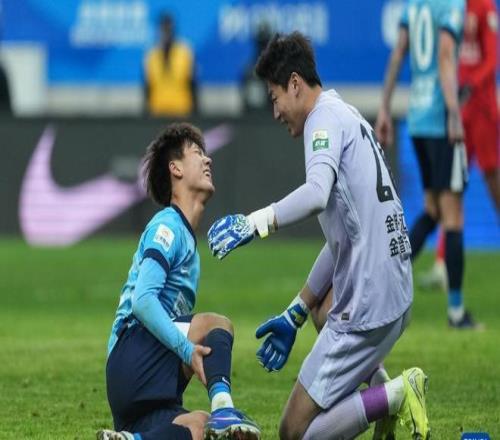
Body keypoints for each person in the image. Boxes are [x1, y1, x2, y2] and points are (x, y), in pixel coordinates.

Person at [207, 32, 429, 440]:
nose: (275, 111)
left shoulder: (321, 121)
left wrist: (255, 222)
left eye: (275, 97)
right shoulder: (346, 113)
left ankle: (394, 395)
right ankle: (381, 388)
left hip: (370, 302)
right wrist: (295, 311)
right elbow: (341, 239)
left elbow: (315, 193)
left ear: (295, 84)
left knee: (293, 432)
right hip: (395, 291)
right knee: (319, 310)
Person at [97, 123, 260, 440]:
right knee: (217, 325)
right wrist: (187, 351)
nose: (208, 159)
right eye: (198, 153)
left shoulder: (184, 236)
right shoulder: (168, 226)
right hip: (132, 359)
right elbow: (143, 301)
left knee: (200, 427)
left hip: (146, 391)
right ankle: (224, 408)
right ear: (176, 169)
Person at [375, 0, 479, 329]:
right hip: (439, 120)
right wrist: (453, 113)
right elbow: (446, 56)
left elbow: (398, 54)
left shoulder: (415, 4)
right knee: (453, 214)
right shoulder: (452, 4)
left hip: (417, 120)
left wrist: (384, 108)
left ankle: (383, 281)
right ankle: (457, 312)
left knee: (433, 210)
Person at [420, 0, 499, 292]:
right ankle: (442, 264)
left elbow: (491, 60)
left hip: (483, 113)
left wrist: (471, 84)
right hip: (460, 115)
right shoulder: (451, 6)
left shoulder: (484, 8)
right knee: (452, 188)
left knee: (494, 184)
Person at [143, 14, 196, 117]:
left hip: (182, 109)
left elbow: (193, 83)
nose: (166, 31)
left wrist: (195, 112)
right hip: (157, 110)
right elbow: (147, 86)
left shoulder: (185, 51)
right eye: (164, 28)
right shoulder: (151, 54)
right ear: (159, 29)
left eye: (169, 28)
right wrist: (146, 112)